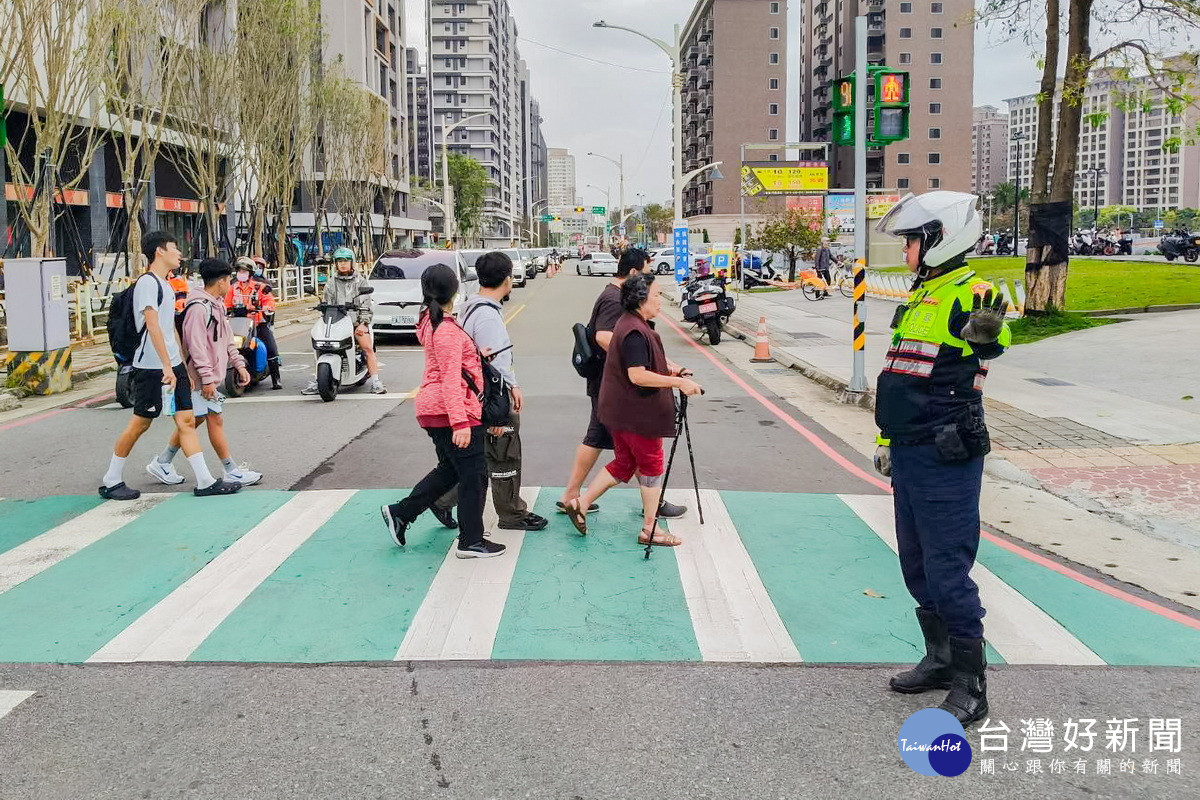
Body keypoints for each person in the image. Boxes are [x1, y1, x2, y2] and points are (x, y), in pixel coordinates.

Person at [872, 191, 1011, 727]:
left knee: (948, 567)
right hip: (909, 450)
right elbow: (901, 376)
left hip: (946, 451)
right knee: (915, 564)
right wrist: (886, 443)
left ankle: (972, 683)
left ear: (937, 239)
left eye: (910, 240)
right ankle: (940, 658)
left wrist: (987, 337)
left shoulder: (970, 292)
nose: (905, 250)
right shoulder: (920, 295)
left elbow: (993, 338)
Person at [561, 273, 702, 546]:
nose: (661, 301)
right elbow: (638, 375)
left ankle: (581, 503)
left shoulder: (629, 325)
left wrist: (673, 369)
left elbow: (642, 363)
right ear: (640, 299)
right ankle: (650, 529)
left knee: (625, 463)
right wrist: (678, 382)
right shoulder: (636, 331)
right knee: (651, 467)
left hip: (619, 412)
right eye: (657, 295)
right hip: (638, 415)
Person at [99, 231, 241, 500]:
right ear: (159, 252)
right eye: (175, 248)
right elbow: (152, 326)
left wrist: (179, 364)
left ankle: (205, 481)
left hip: (172, 364)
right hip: (151, 366)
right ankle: (111, 479)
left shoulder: (166, 284)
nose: (180, 254)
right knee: (141, 422)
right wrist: (166, 366)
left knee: (187, 420)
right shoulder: (147, 284)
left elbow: (169, 328)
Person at [380, 264, 506, 559]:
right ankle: (471, 541)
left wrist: (474, 355)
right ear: (456, 290)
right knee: (474, 475)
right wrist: (460, 423)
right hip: (452, 411)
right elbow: (450, 377)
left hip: (434, 409)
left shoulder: (429, 320)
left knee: (450, 470)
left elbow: (447, 363)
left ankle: (401, 513)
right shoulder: (446, 329)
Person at [430, 252, 548, 532]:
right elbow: (490, 367)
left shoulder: (471, 307)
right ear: (508, 280)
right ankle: (512, 514)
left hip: (479, 399)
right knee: (504, 455)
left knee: (480, 459)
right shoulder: (487, 316)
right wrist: (499, 408)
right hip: (492, 399)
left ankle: (442, 501)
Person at [147, 258, 264, 488]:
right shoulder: (198, 308)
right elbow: (196, 347)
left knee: (195, 420)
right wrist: (207, 380)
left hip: (207, 377)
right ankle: (230, 470)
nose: (230, 284)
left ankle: (163, 461)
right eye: (229, 279)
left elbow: (228, 338)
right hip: (197, 379)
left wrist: (239, 363)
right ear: (221, 281)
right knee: (212, 420)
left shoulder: (216, 304)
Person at [301, 247, 386, 395]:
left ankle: (375, 381)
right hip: (335, 322)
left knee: (367, 348)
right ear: (335, 264)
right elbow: (327, 302)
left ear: (352, 262)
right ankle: (318, 380)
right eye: (340, 261)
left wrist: (363, 323)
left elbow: (366, 305)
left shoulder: (360, 281)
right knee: (320, 346)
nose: (343, 264)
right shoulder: (331, 283)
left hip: (355, 322)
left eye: (346, 261)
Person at [226, 257, 282, 390]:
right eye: (239, 270)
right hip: (237, 325)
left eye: (244, 271)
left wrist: (268, 307)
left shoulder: (260, 287)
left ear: (250, 273)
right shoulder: (232, 288)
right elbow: (225, 304)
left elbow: (269, 301)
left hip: (257, 324)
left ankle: (276, 379)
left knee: (271, 348)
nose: (242, 273)